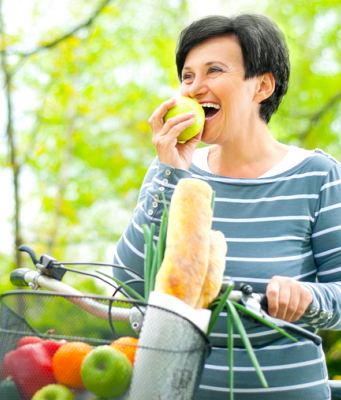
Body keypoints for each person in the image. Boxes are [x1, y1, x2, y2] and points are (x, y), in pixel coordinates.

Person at [113, 13, 341, 399]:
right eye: (187, 76)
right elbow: (131, 281)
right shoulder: (172, 172)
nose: (195, 87)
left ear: (262, 86)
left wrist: (308, 299)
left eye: (213, 70)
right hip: (180, 389)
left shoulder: (318, 175)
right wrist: (168, 171)